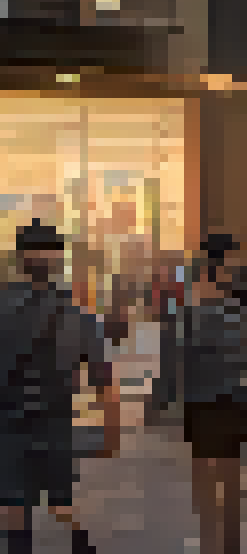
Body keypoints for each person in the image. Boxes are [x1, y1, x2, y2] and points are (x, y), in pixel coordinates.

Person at [0, 220, 122, 554]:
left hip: (8, 421)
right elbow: (103, 378)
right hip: (56, 421)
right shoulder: (78, 315)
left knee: (14, 504)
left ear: (19, 258)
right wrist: (112, 430)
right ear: (56, 260)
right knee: (60, 502)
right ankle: (82, 542)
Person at [178, 234, 247, 554]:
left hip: (228, 393)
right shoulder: (200, 298)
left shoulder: (233, 296)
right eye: (233, 259)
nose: (238, 265)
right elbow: (187, 344)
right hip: (205, 394)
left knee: (227, 470)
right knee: (208, 470)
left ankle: (229, 543)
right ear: (217, 261)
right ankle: (213, 543)